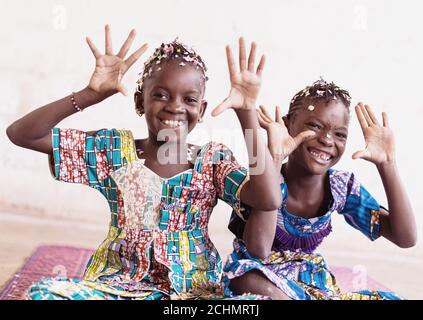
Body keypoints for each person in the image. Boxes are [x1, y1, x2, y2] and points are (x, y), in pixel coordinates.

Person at [6, 25, 281, 300]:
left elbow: (267, 199)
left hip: (192, 294)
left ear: (202, 110)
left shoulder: (212, 161)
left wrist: (247, 113)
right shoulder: (113, 151)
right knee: (43, 294)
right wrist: (90, 94)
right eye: (161, 95)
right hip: (117, 287)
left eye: (189, 99)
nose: (175, 106)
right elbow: (23, 134)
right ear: (140, 102)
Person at [223, 79, 417, 300]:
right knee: (250, 282)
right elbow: (259, 248)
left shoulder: (340, 188)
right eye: (315, 126)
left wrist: (387, 165)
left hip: (310, 281)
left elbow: (406, 237)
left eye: (340, 134)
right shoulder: (265, 181)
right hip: (257, 276)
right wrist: (274, 158)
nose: (326, 139)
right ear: (287, 126)